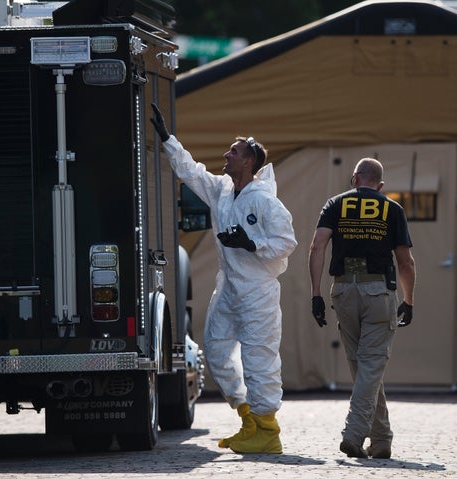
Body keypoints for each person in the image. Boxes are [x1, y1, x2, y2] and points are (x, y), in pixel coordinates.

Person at [151, 104, 297, 453]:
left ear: (249, 161)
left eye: (233, 151)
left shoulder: (264, 201)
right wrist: (168, 139)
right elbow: (191, 172)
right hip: (230, 287)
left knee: (258, 359)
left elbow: (286, 242)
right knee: (216, 352)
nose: (226, 155)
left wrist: (252, 243)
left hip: (257, 292)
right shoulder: (222, 190)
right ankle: (249, 419)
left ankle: (268, 431)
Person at [308, 158, 416, 459]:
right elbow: (405, 262)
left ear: (354, 178)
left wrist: (315, 295)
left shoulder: (335, 204)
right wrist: (409, 300)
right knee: (370, 365)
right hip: (377, 291)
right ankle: (354, 434)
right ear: (380, 185)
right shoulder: (392, 209)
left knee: (363, 366)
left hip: (342, 290)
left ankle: (381, 440)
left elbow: (317, 247)